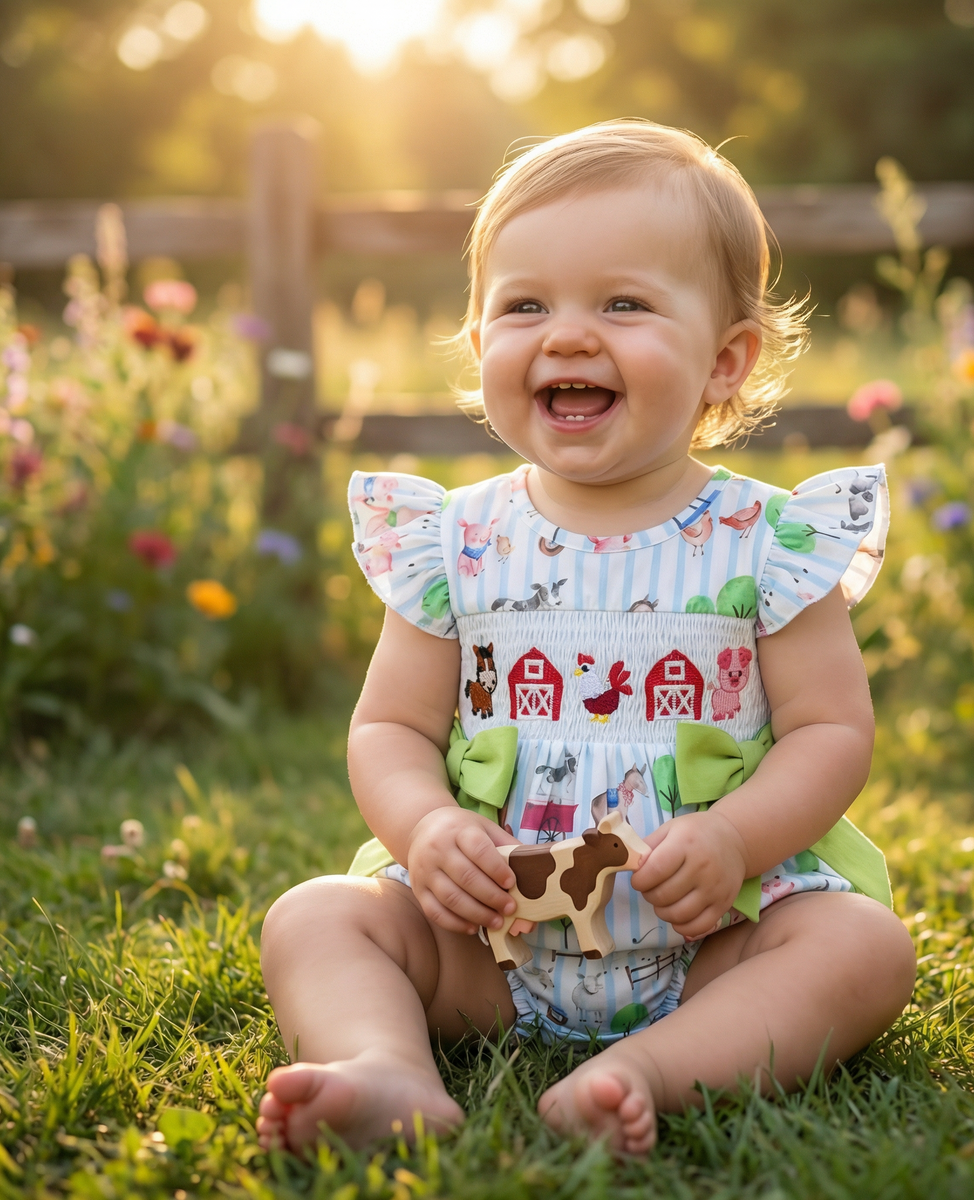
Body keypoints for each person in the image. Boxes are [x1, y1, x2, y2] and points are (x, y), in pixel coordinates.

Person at [256, 121, 916, 1157]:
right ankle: (382, 1066)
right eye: (524, 305)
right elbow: (390, 725)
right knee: (316, 916)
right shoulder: (452, 541)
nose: (565, 335)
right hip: (490, 945)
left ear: (726, 361)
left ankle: (651, 1067)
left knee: (862, 946)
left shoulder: (771, 541)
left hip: (713, 936)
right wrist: (427, 831)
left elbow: (831, 730)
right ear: (481, 350)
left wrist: (738, 838)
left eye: (623, 303)